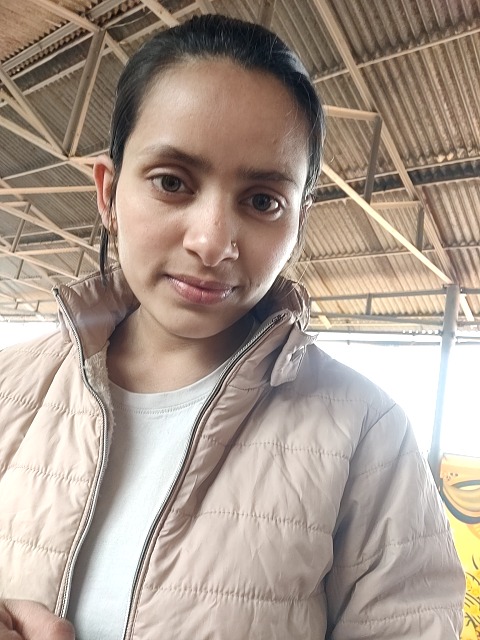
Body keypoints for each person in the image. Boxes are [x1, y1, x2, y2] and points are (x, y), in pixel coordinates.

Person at [0, 14, 464, 640]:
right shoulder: (11, 389)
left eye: (263, 200)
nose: (213, 242)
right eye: (172, 182)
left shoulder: (365, 435)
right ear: (108, 193)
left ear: (299, 220)